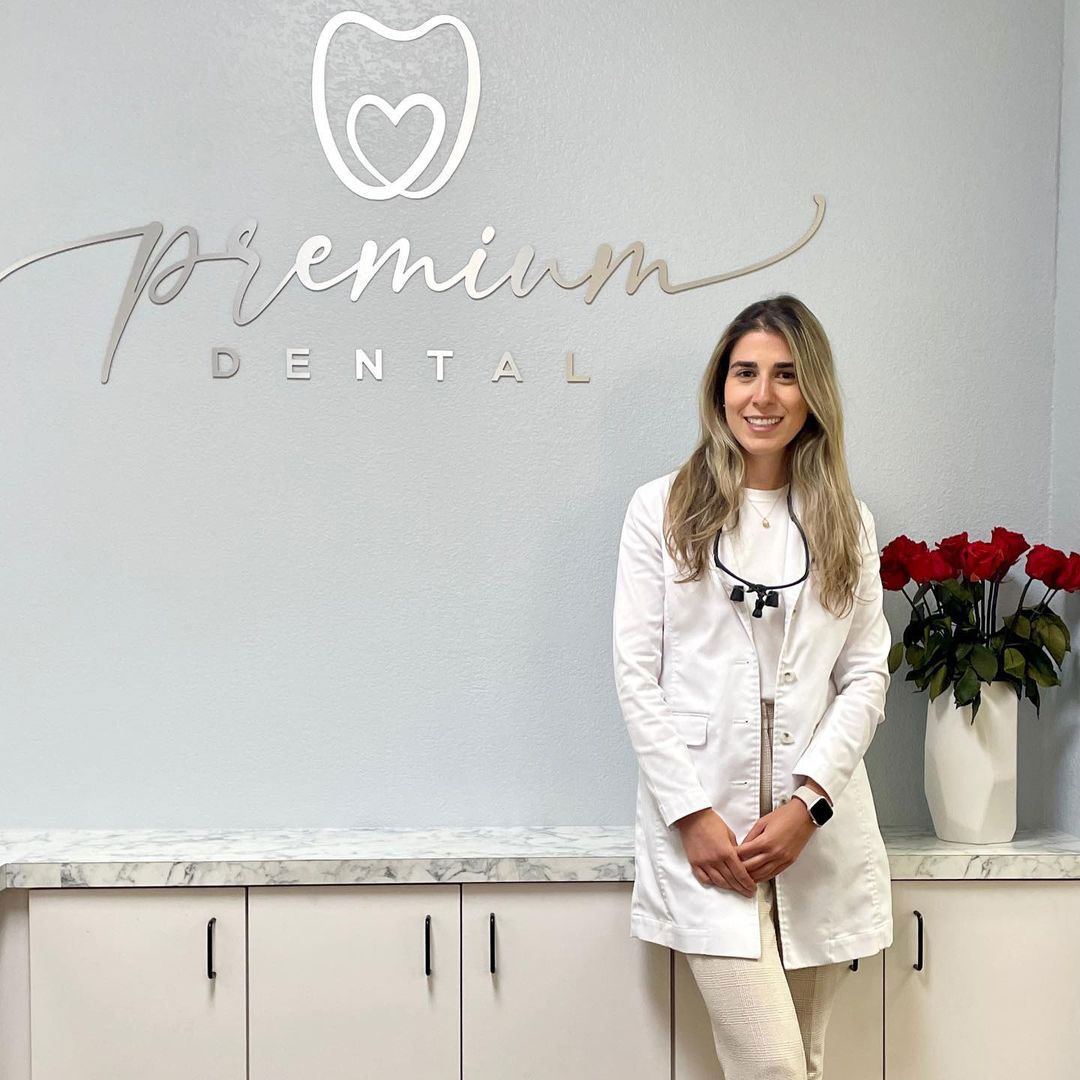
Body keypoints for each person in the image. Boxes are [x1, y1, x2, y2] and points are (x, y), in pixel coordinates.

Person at [612, 294, 893, 1079]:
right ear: (719, 387)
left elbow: (867, 672)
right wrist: (691, 817)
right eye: (745, 373)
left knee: (803, 1060)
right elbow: (638, 676)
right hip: (707, 839)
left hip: (816, 835)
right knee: (772, 1066)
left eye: (785, 375)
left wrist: (811, 804)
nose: (761, 397)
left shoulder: (847, 520)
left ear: (814, 394)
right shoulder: (661, 511)